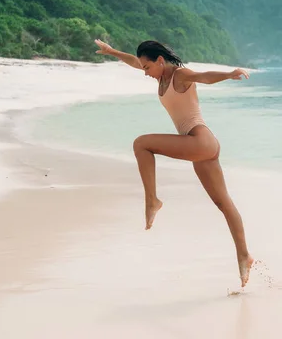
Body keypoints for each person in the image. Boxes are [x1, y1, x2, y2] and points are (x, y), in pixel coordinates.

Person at [94, 39, 254, 287]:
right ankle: (244, 257)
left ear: (159, 61)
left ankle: (152, 201)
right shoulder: (160, 77)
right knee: (224, 203)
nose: (144, 72)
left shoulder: (180, 75)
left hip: (200, 141)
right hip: (201, 147)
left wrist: (229, 74)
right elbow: (133, 61)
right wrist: (112, 52)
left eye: (147, 67)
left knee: (141, 144)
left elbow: (204, 76)